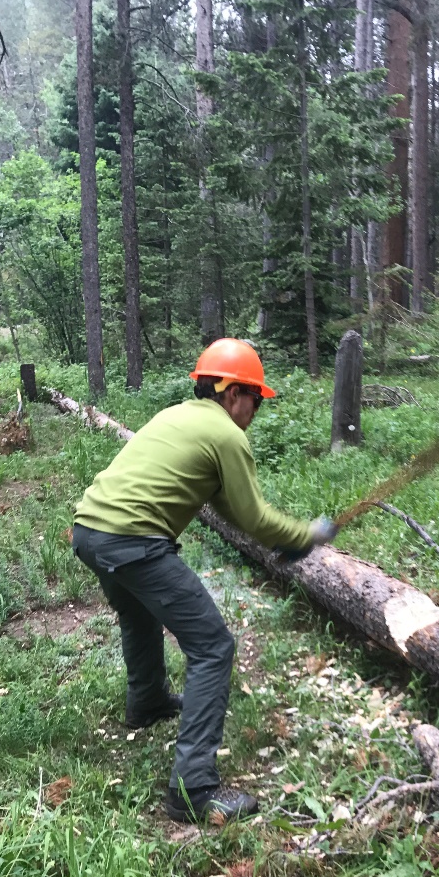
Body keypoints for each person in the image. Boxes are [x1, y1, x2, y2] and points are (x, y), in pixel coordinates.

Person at [72, 339, 337, 824]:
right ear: (233, 392)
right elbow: (253, 517)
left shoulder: (177, 415)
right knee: (213, 646)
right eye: (255, 398)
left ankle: (148, 702)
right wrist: (308, 534)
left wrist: (291, 537)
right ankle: (192, 789)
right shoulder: (227, 436)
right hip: (132, 539)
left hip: (89, 530)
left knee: (138, 614)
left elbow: (226, 506)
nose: (256, 409)